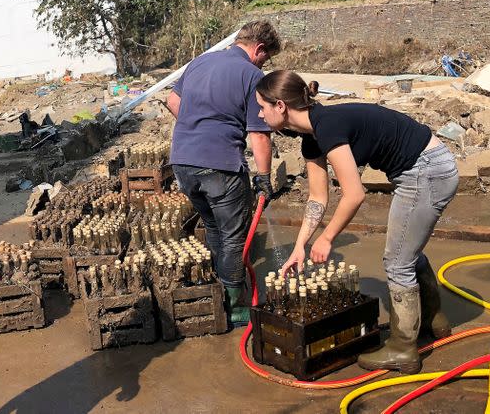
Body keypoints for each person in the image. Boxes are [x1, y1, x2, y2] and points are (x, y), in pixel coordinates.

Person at [256, 70, 458, 374]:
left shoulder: (328, 126)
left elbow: (354, 194)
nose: (259, 113)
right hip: (421, 169)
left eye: (262, 106)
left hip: (426, 170)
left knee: (397, 261)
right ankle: (434, 321)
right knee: (406, 250)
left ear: (280, 106)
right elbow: (317, 198)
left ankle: (404, 350)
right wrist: (300, 246)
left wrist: (327, 238)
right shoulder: (311, 137)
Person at [166, 20, 281, 324]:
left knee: (214, 227)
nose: (263, 63)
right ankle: (236, 305)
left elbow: (172, 100)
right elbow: (259, 134)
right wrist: (264, 178)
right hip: (219, 164)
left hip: (182, 161)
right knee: (234, 235)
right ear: (259, 49)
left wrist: (197, 125)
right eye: (265, 57)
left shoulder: (200, 61)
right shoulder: (252, 74)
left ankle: (219, 288)